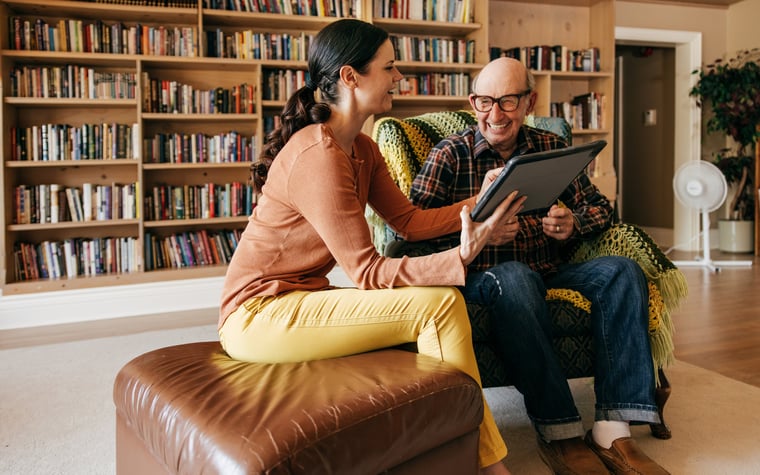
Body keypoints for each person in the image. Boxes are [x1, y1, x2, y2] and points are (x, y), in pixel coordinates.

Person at [218, 19, 526, 475]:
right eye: (390, 67)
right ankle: (486, 465)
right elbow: (366, 273)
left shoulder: (362, 146)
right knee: (439, 305)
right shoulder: (318, 155)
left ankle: (441, 448)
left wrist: (479, 203)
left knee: (438, 305)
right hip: (258, 315)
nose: (399, 78)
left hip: (299, 300)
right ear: (350, 77)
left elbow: (408, 221)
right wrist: (461, 255)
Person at [409, 57, 670, 475]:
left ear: (529, 101)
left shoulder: (550, 147)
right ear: (472, 101)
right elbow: (409, 235)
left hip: (549, 269)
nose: (494, 114)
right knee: (515, 277)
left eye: (508, 101)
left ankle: (612, 427)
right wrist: (474, 238)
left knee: (622, 271)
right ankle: (560, 430)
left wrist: (572, 223)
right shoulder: (449, 155)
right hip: (483, 277)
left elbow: (602, 209)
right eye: (484, 101)